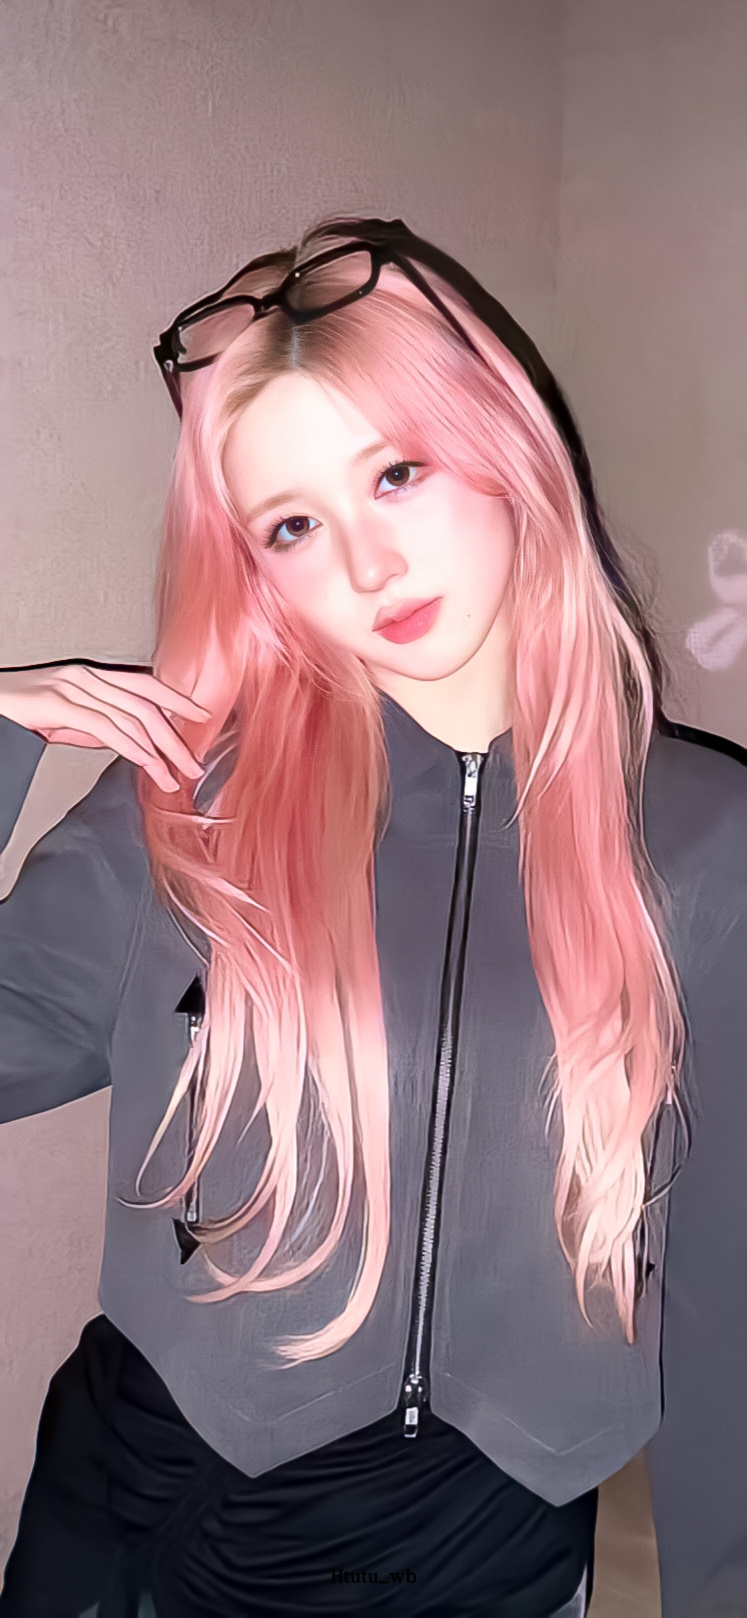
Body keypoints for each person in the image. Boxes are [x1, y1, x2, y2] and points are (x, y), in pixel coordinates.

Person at [0, 215, 745, 1618]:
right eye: (292, 524)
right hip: (139, 1518)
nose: (366, 562)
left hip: (472, 1551)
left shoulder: (707, 843)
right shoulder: (186, 802)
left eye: (397, 471)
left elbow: (730, 1306)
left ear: (503, 442)